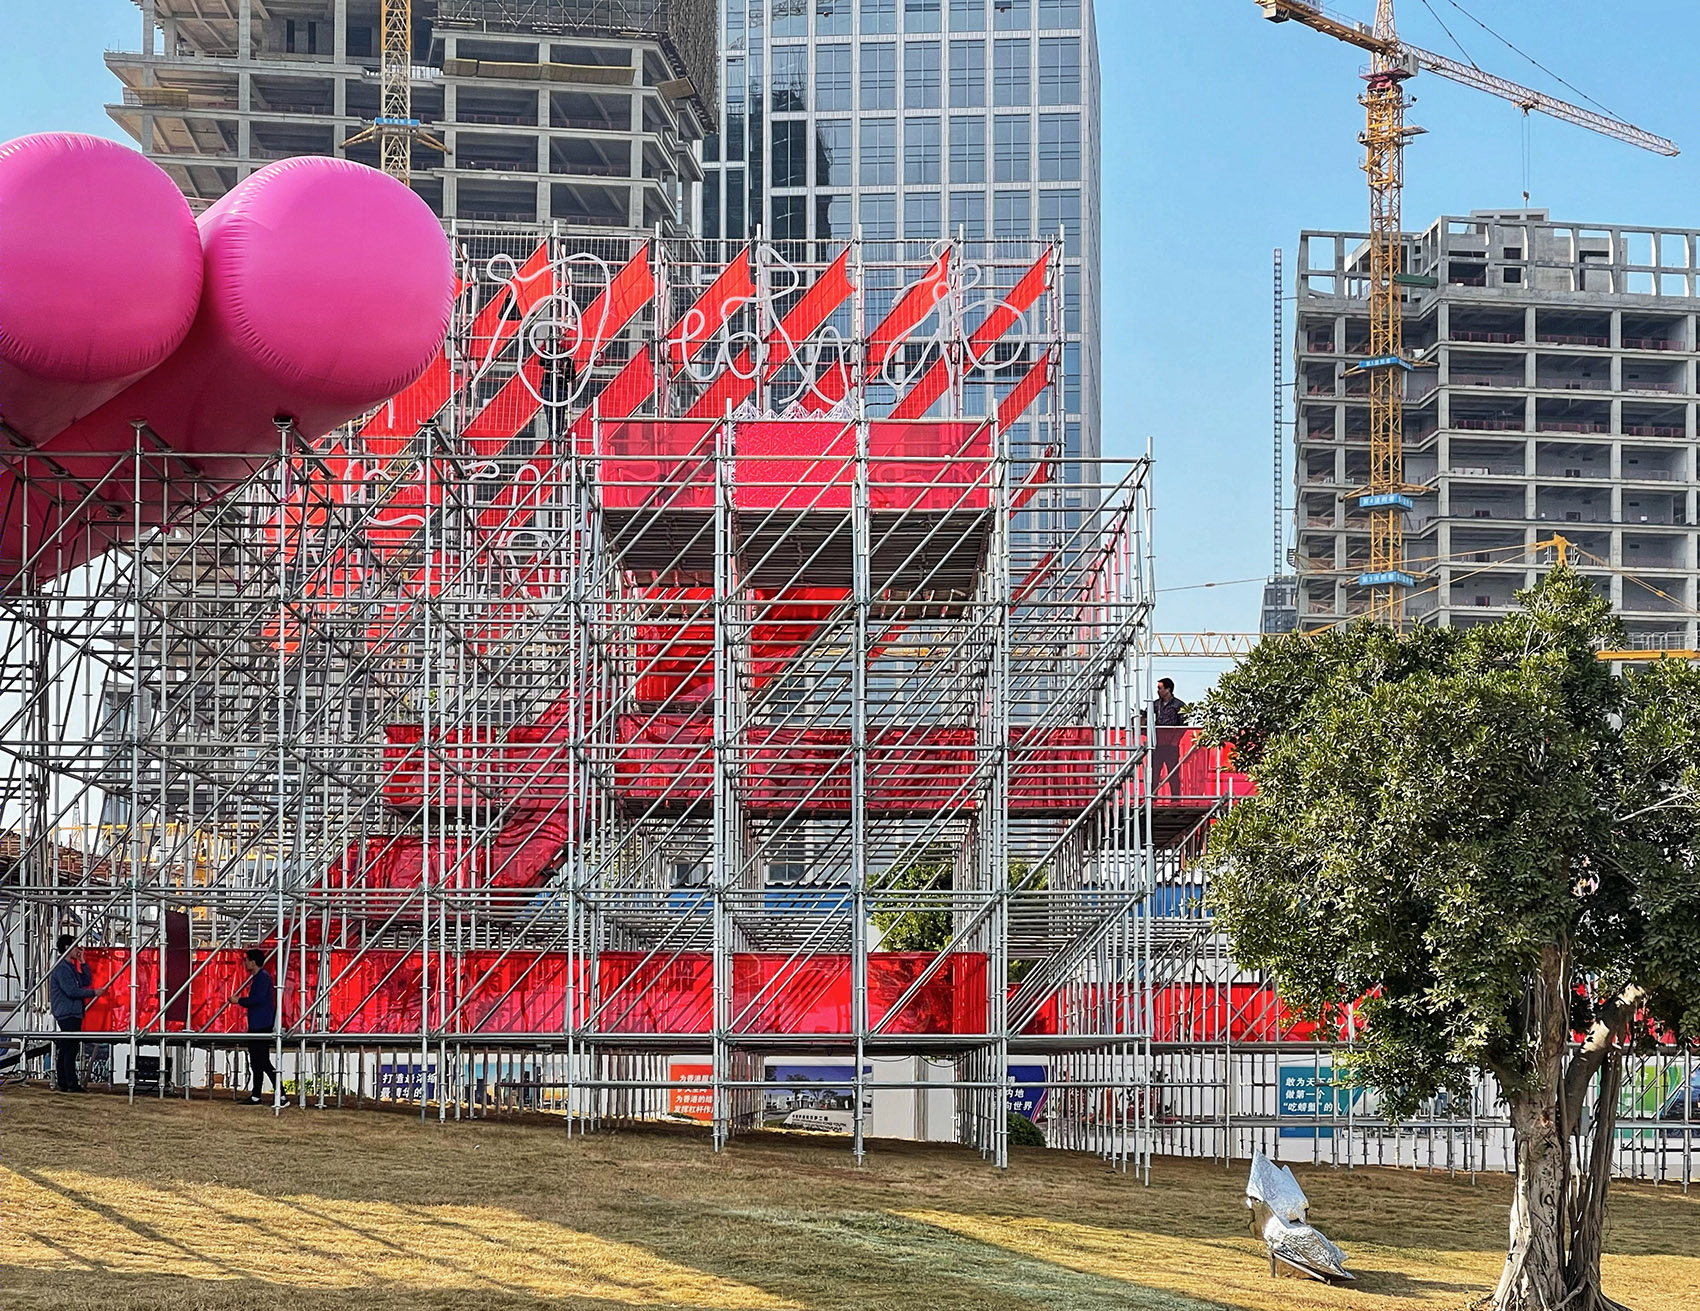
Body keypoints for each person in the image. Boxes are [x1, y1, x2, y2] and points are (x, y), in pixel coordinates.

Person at [48, 934, 104, 1093]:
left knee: (68, 1047)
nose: (78, 949)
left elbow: (86, 981)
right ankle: (69, 1083)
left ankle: (65, 1082)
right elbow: (72, 991)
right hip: (67, 1012)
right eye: (75, 946)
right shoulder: (62, 969)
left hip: (71, 1012)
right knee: (70, 1048)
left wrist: (83, 961)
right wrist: (94, 993)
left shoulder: (70, 967)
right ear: (67, 948)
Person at [227, 949, 277, 1105]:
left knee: (262, 1061)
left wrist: (239, 1001)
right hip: (258, 1023)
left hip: (261, 1024)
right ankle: (257, 1095)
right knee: (257, 1061)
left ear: (253, 962)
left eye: (247, 960)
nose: (245, 963)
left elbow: (258, 999)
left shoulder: (262, 978)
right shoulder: (260, 978)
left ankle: (279, 1093)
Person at [1151, 677, 1189, 799]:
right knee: (1154, 773)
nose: (1158, 691)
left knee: (1173, 773)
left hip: (1171, 746)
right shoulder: (1155, 705)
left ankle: (1175, 799)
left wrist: (1175, 740)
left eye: (1160, 688)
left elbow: (1184, 725)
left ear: (1168, 689)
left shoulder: (1179, 705)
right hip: (1157, 745)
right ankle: (1152, 797)